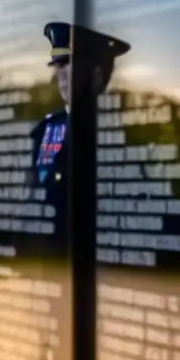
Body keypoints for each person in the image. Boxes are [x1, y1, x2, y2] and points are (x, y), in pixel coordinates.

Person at [30, 21, 130, 241]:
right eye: (59, 68)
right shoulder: (50, 129)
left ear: (99, 76)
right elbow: (40, 188)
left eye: (70, 66)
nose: (62, 77)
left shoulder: (124, 129)